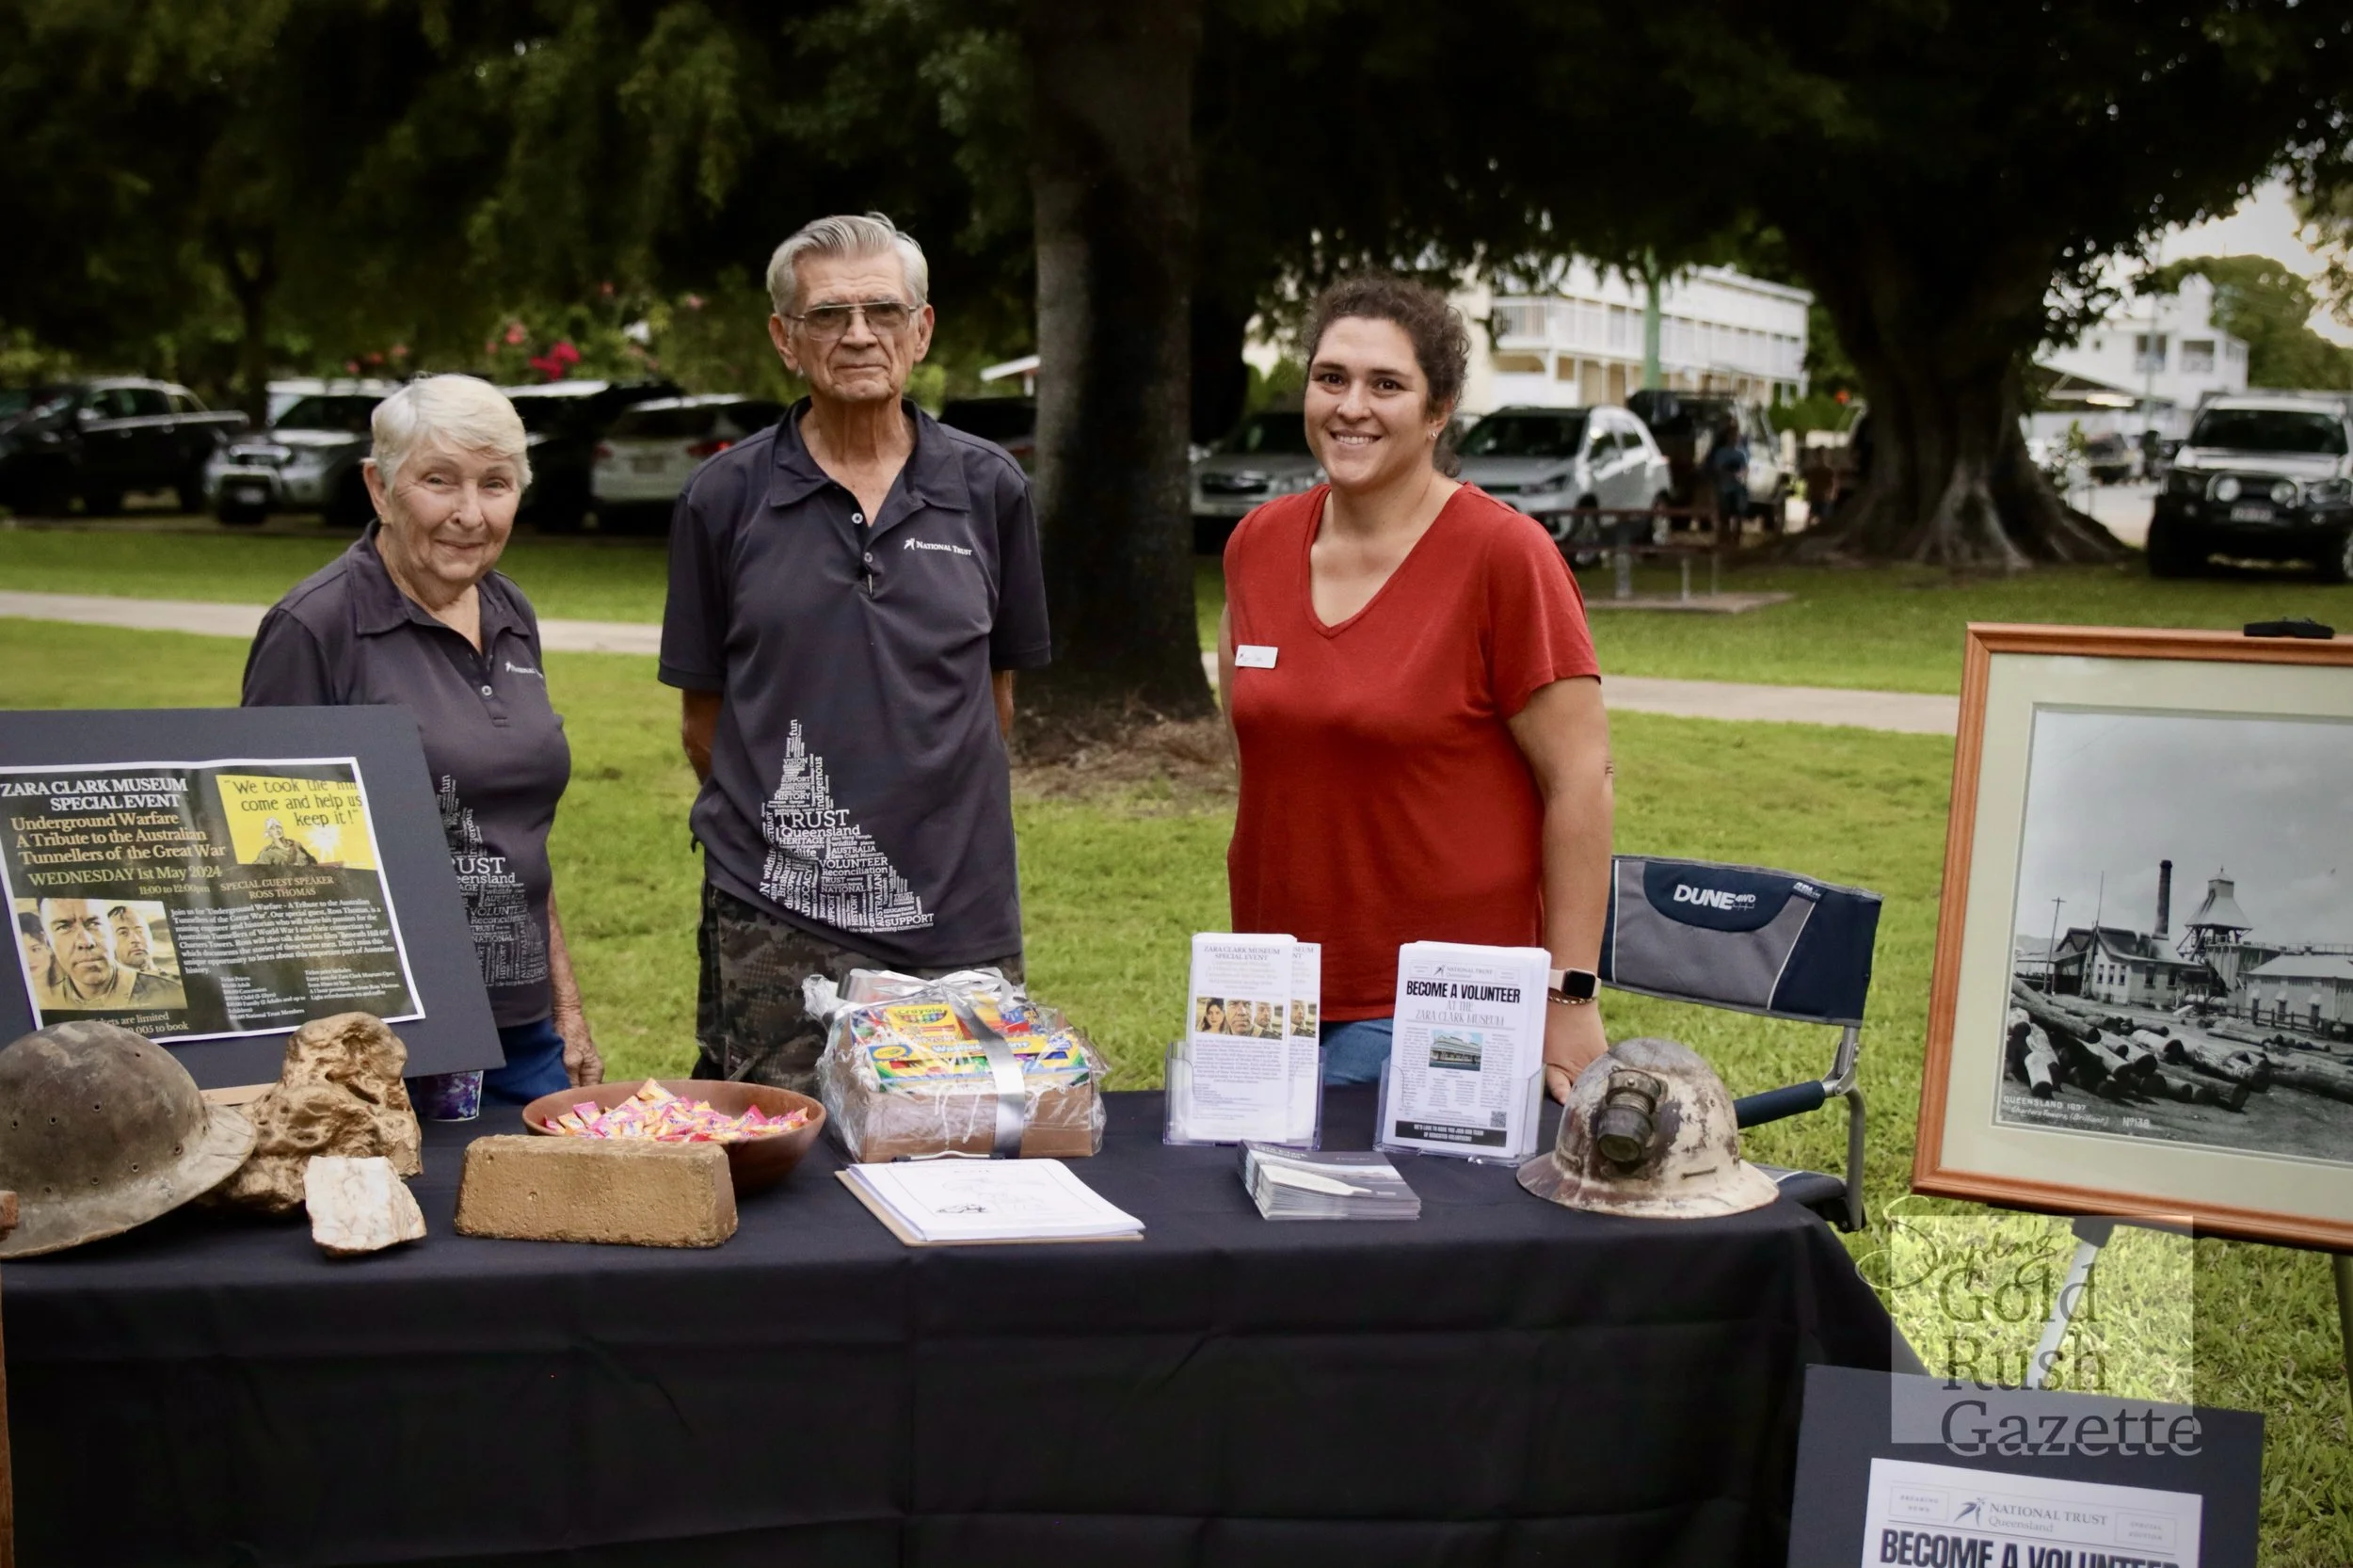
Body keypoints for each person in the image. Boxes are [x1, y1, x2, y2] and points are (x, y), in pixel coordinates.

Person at [661, 212, 1051, 1092]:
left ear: (922, 329)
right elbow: (703, 722)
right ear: (785, 340)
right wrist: (794, 844)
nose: (859, 334)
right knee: (786, 1142)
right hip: (774, 913)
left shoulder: (989, 489)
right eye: (829, 315)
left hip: (959, 907)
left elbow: (995, 701)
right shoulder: (722, 498)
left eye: (883, 311)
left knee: (957, 1134)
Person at [1219, 273, 1614, 1098]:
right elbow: (1261, 747)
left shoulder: (1505, 556)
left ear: (1439, 411)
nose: (1351, 407)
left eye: (1386, 385)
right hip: (1268, 989)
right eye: (1331, 378)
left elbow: (1581, 781)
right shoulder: (1256, 543)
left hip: (1437, 1001)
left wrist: (1569, 998)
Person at [241, 375, 602, 1102]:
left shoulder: (510, 610)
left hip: (524, 1031)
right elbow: (271, 871)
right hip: (384, 1046)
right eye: (439, 481)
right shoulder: (316, 627)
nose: (470, 514)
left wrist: (566, 1010)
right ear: (380, 488)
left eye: (495, 484)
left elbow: (514, 835)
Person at [38, 898, 185, 1010]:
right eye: (64, 927)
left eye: (94, 924)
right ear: (47, 942)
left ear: (110, 932)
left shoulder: (171, 993)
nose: (86, 942)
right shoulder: (43, 1002)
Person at [105, 904, 173, 979]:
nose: (136, 939)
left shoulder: (175, 981)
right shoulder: (109, 984)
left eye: (140, 931)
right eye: (123, 933)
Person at [1706, 418, 1749, 534]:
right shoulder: (1721, 453)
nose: (1734, 438)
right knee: (1724, 514)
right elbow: (1717, 468)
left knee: (1738, 513)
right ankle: (1724, 534)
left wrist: (1740, 475)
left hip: (1737, 487)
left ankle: (1736, 535)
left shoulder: (1740, 453)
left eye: (1736, 435)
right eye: (1732, 435)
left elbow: (1745, 468)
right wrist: (1728, 475)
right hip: (1724, 488)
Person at [251, 818, 318, 866]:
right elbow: (257, 871)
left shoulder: (296, 845)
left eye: (278, 827)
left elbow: (313, 862)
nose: (277, 830)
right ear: (269, 833)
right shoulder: (267, 853)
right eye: (272, 828)